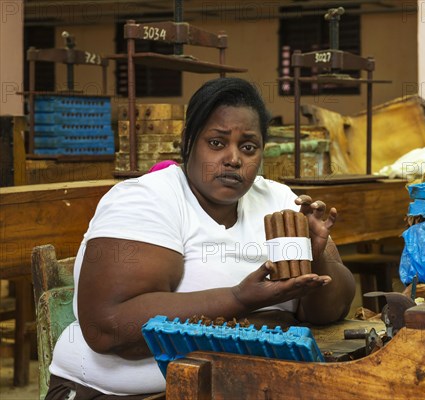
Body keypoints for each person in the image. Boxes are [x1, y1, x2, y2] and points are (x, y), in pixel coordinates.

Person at [46, 77, 356, 399]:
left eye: (248, 147)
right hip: (120, 393)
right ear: (189, 141)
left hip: (238, 386)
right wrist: (241, 301)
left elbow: (329, 312)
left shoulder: (280, 201)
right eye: (217, 143)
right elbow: (109, 328)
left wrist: (316, 256)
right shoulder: (146, 201)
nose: (234, 158)